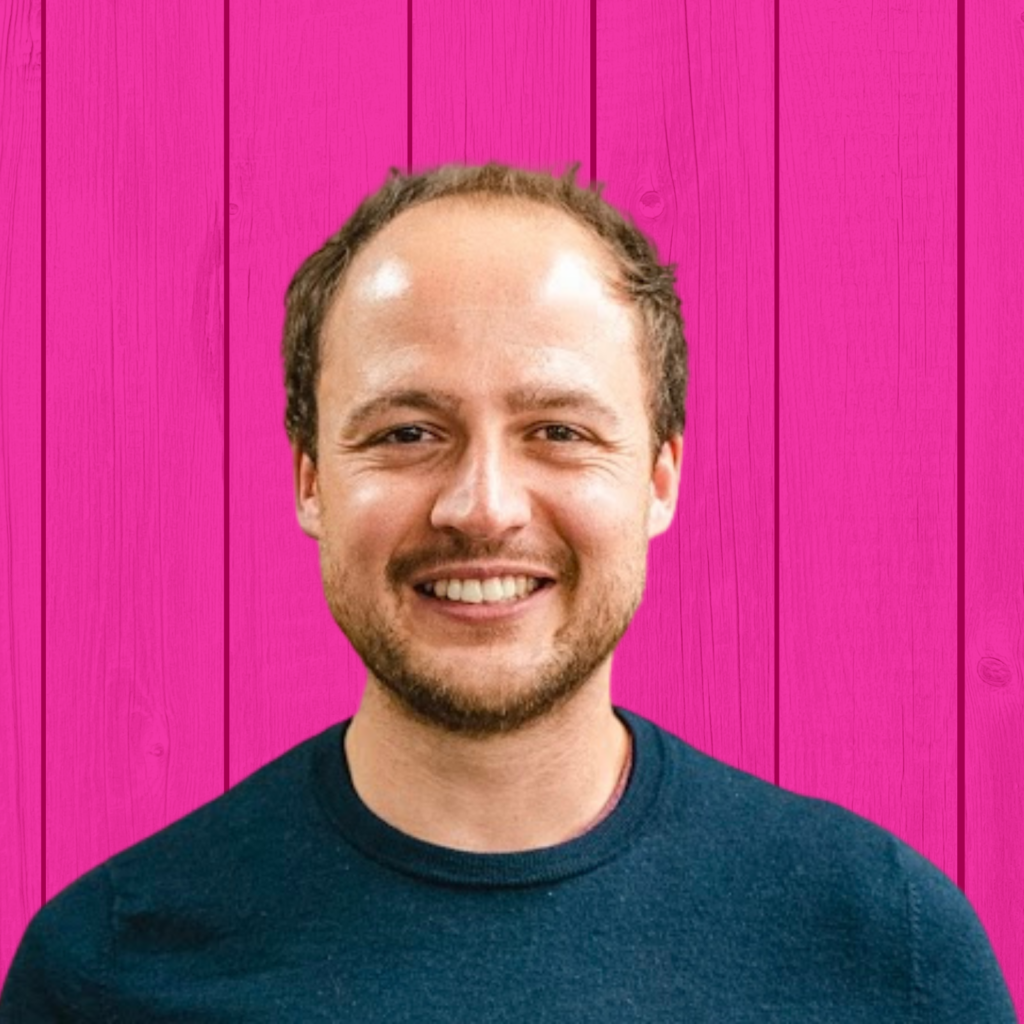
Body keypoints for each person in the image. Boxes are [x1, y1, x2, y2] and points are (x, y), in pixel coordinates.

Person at [1, 162, 1016, 1022]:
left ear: (659, 477)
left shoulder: (889, 951)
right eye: (406, 432)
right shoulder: (103, 970)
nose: (480, 507)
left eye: (559, 431)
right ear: (311, 476)